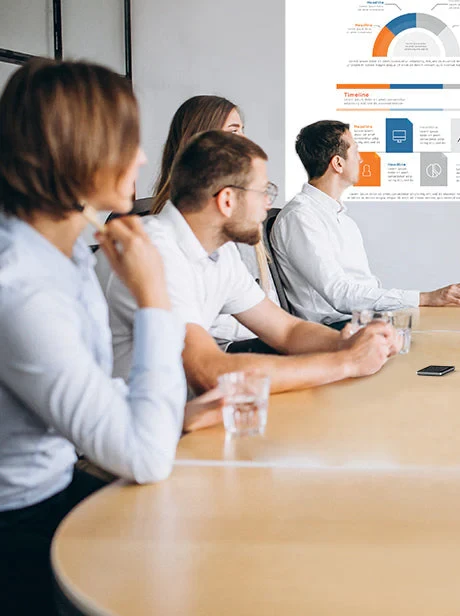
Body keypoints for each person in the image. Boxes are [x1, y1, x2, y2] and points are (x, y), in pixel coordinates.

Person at [0, 60, 219, 614]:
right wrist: (154, 296)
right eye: (128, 142)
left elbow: (93, 387)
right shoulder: (22, 288)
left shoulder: (66, 250)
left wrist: (174, 415)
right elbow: (144, 456)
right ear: (77, 152)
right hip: (19, 531)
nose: (141, 158)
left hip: (58, 487)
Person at [105, 129, 398, 395]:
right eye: (264, 192)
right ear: (227, 200)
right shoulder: (156, 251)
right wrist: (346, 362)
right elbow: (209, 372)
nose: (269, 204)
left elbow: (287, 331)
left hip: (179, 413)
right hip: (136, 424)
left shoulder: (220, 253)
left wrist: (348, 342)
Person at [270, 120, 460, 325]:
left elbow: (363, 287)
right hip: (334, 328)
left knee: (453, 319)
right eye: (356, 152)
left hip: (362, 319)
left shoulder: (342, 219)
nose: (361, 159)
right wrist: (424, 298)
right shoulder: (300, 217)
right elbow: (339, 294)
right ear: (338, 163)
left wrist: (418, 302)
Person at [150, 95, 280, 350]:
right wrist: (266, 329)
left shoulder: (230, 237)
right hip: (222, 349)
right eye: (233, 131)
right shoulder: (174, 234)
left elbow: (267, 309)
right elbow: (202, 324)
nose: (246, 141)